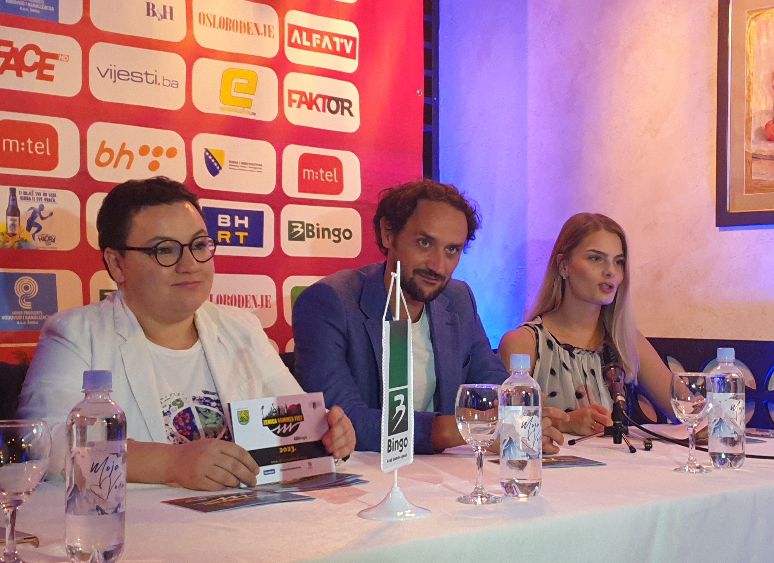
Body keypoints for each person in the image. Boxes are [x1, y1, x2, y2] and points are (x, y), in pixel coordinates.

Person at [18, 177, 355, 491]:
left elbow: (296, 419)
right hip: (142, 527)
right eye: (165, 250)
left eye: (199, 244)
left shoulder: (241, 327)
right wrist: (170, 463)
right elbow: (45, 444)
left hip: (248, 518)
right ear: (117, 264)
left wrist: (328, 433)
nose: (190, 263)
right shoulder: (76, 334)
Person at [293, 179, 566, 453]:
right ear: (388, 234)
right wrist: (460, 429)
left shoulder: (458, 299)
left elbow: (491, 381)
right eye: (424, 243)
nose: (438, 266)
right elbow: (343, 419)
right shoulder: (329, 302)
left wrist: (522, 416)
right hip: (368, 472)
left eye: (452, 250)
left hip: (444, 470)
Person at [498, 212, 675, 436]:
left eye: (618, 262)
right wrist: (565, 423)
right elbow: (506, 431)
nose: (610, 271)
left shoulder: (625, 340)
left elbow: (686, 408)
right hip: (554, 459)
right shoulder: (525, 343)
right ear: (563, 266)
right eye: (595, 258)